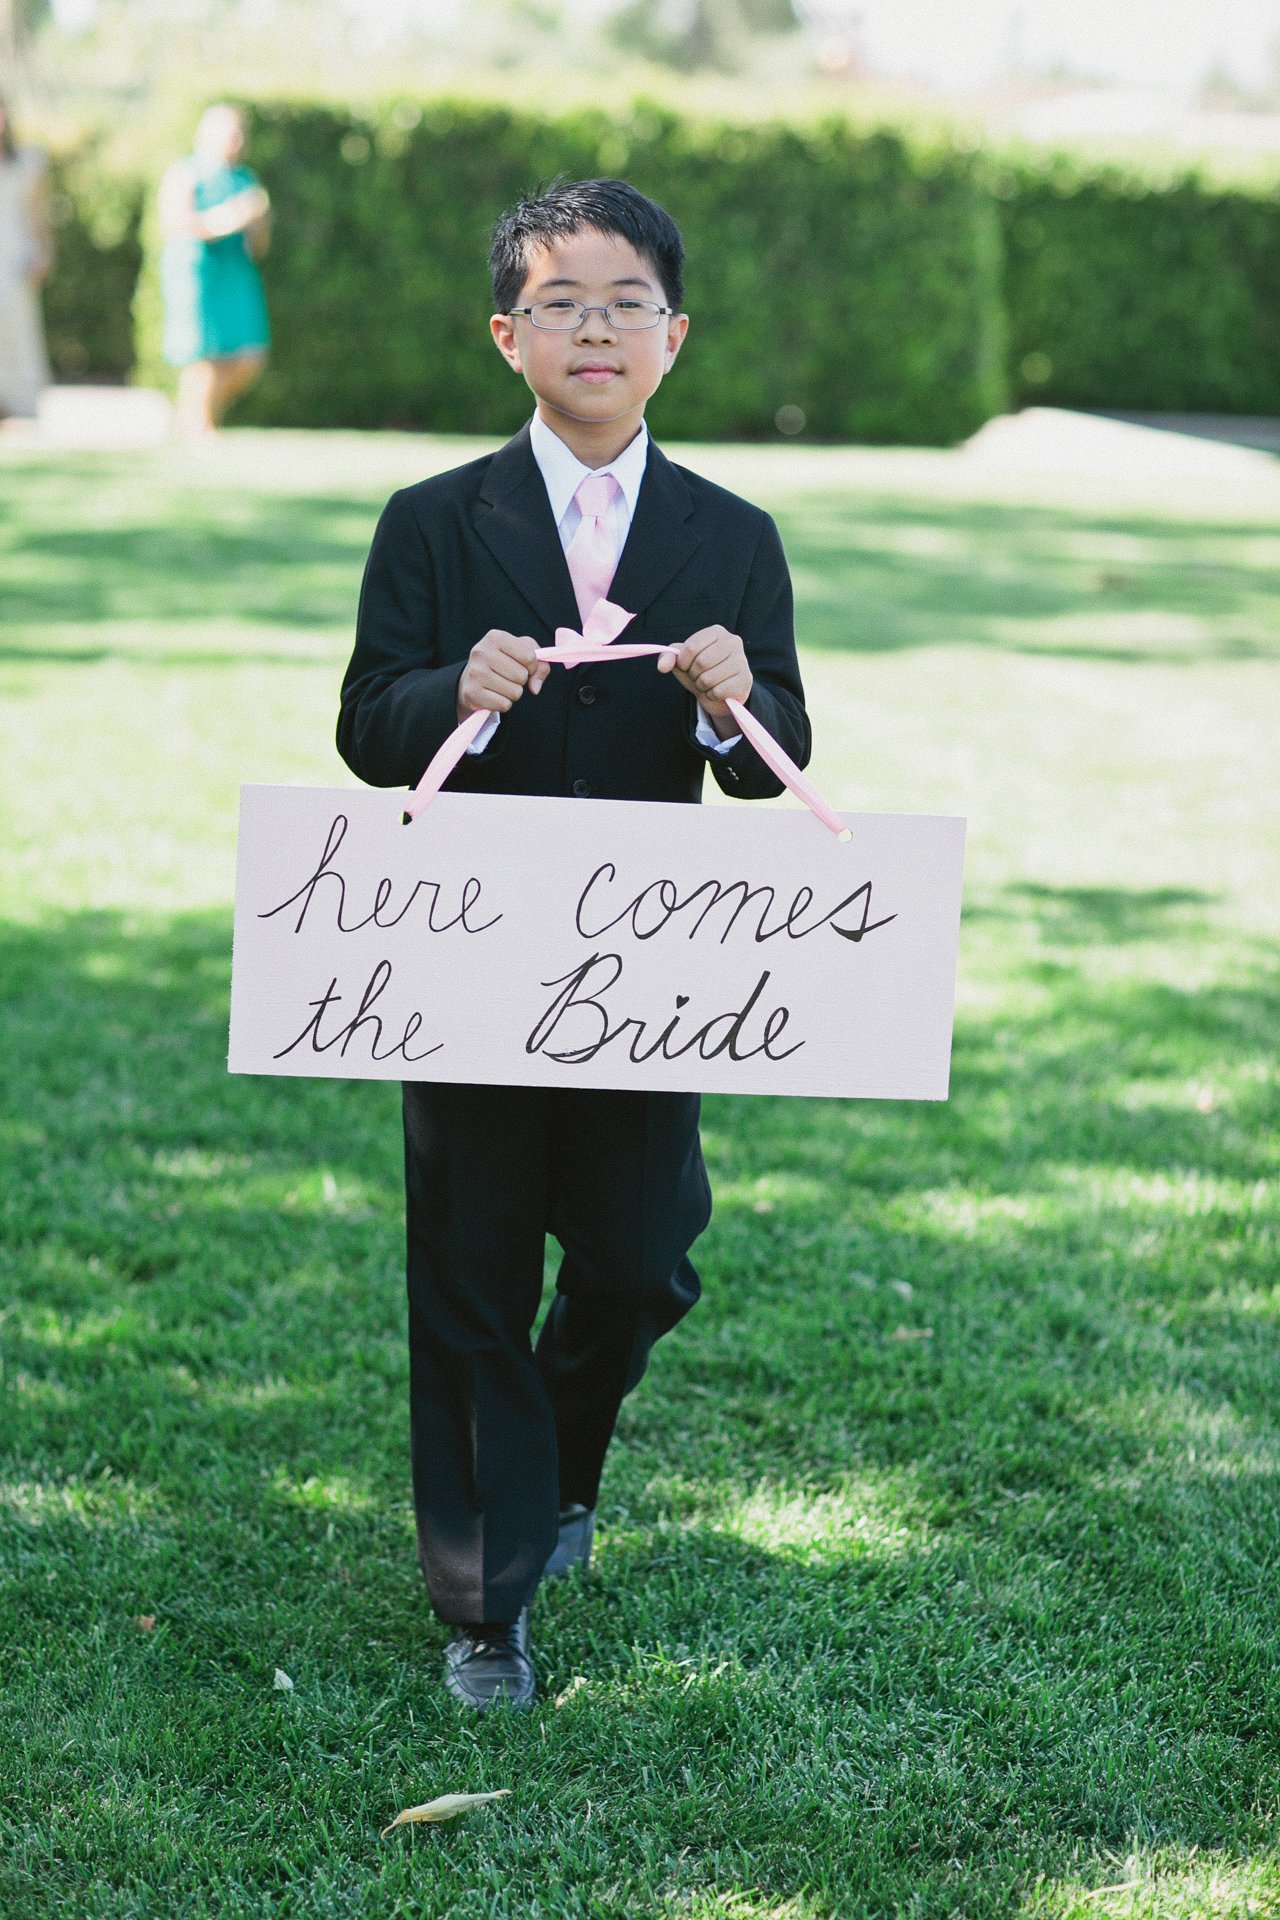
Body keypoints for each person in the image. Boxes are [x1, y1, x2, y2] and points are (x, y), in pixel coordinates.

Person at [337, 178, 810, 1711]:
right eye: (560, 303)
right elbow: (367, 723)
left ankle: (555, 1467)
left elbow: (779, 758)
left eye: (625, 304)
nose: (594, 329)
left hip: (643, 969)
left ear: (674, 336)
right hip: (467, 950)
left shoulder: (731, 537)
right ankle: (488, 1600)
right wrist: (451, 693)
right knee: (472, 1273)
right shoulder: (433, 521)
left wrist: (735, 703)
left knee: (639, 1256)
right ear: (508, 336)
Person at [158, 104, 271, 440]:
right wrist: (231, 217)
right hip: (199, 271)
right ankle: (199, 427)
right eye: (227, 133)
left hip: (236, 273)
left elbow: (259, 247)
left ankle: (190, 420)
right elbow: (177, 223)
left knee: (249, 356)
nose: (235, 140)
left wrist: (259, 222)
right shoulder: (185, 173)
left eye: (239, 133)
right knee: (205, 356)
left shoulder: (245, 180)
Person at [0, 96, 52, 422]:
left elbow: (38, 215)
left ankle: (15, 404)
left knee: (17, 332)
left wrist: (43, 253)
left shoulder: (26, 163)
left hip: (14, 257)